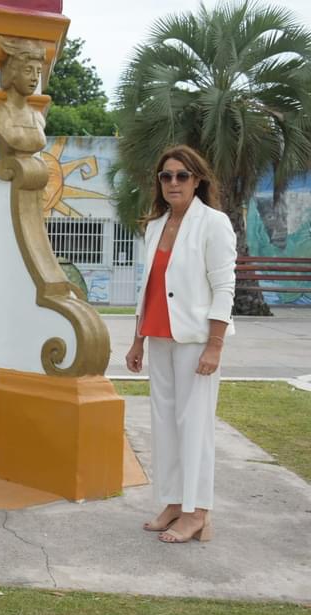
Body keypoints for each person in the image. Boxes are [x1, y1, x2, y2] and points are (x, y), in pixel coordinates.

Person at [125, 145, 236, 543]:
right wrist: (137, 340)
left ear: (198, 180)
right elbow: (149, 287)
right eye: (166, 176)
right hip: (159, 337)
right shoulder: (156, 224)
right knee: (165, 425)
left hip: (195, 341)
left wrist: (215, 345)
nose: (173, 182)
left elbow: (224, 286)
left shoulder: (214, 223)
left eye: (182, 176)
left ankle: (198, 512)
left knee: (196, 426)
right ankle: (173, 502)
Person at [0, 36, 47, 155]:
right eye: (28, 70)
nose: (35, 78)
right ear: (13, 73)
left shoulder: (38, 118)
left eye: (38, 72)